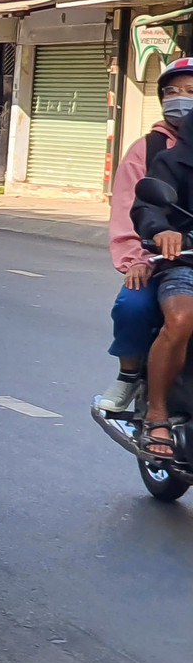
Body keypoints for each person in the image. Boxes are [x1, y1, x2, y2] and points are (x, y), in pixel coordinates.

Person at [98, 60, 193, 415]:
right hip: (162, 257)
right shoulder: (150, 149)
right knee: (133, 306)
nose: (180, 99)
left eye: (190, 92)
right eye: (171, 91)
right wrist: (137, 258)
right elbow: (130, 205)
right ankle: (130, 375)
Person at [124, 67, 193, 459]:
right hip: (183, 261)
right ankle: (157, 414)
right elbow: (146, 205)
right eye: (175, 91)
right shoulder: (169, 160)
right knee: (181, 318)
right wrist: (162, 232)